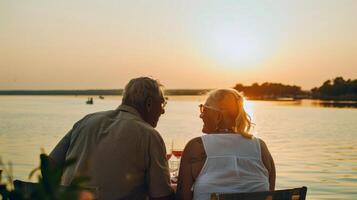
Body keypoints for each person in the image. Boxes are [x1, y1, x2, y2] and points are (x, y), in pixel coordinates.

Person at [49, 77, 174, 200]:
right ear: (149, 103)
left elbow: (49, 165)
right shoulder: (149, 136)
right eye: (162, 103)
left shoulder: (86, 121)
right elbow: (161, 197)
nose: (163, 111)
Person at [176, 89, 275, 200]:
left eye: (204, 109)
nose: (201, 115)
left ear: (218, 115)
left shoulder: (197, 147)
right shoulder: (260, 147)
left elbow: (182, 196)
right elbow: (270, 195)